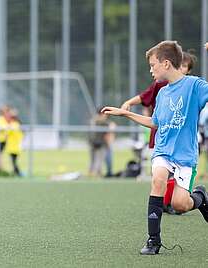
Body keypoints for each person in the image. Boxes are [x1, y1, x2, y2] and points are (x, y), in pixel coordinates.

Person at [102, 41, 208, 255]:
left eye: (153, 65)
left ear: (166, 63)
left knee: (180, 204)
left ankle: (201, 198)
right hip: (163, 151)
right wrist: (127, 114)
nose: (151, 69)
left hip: (186, 156)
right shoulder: (162, 93)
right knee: (158, 179)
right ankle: (153, 240)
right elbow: (156, 123)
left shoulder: (194, 86)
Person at [121, 50, 197, 215]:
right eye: (180, 64)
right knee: (159, 176)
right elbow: (144, 97)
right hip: (161, 139)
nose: (181, 68)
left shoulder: (192, 86)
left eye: (185, 66)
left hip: (183, 146)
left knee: (179, 200)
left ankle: (182, 200)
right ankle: (159, 216)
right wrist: (128, 105)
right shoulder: (161, 87)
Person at [88, 110, 113, 177]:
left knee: (98, 160)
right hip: (97, 144)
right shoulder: (103, 122)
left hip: (98, 144)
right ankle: (94, 173)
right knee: (96, 160)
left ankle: (96, 173)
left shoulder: (94, 121)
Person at [5, 108, 23, 176]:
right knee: (13, 161)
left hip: (13, 147)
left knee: (13, 161)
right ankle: (15, 172)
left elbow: (7, 133)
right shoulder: (18, 124)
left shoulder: (13, 125)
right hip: (16, 146)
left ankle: (17, 172)